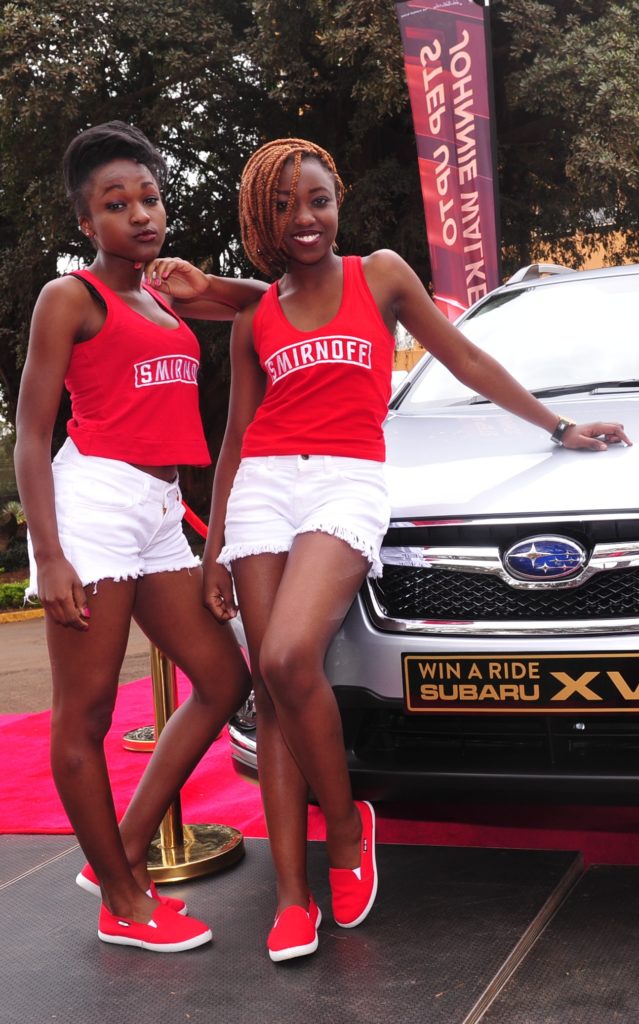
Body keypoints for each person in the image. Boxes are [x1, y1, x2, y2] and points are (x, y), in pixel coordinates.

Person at [201, 138, 631, 962]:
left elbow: (463, 355)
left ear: (339, 200)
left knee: (292, 659)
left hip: (346, 481)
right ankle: (292, 896)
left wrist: (557, 426)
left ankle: (345, 836)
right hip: (261, 485)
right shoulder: (255, 316)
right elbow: (234, 437)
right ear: (265, 216)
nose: (306, 218)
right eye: (286, 205)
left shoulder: (381, 274)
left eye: (319, 199)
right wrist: (217, 544)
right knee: (271, 680)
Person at [13, 121, 266, 953]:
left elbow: (280, 304)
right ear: (87, 223)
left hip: (160, 509)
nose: (140, 215)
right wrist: (47, 556)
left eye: (149, 198)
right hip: (93, 506)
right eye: (115, 205)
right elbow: (32, 434)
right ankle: (124, 898)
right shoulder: (71, 298)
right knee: (82, 717)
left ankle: (116, 851)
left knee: (223, 678)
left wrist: (204, 280)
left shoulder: (165, 295)